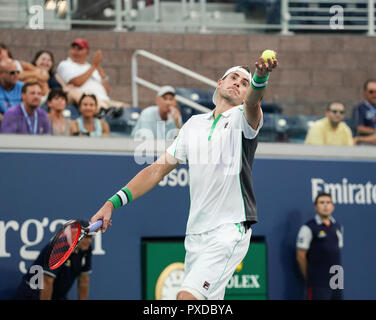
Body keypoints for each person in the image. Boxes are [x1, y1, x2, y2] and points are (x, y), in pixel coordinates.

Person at [90, 52, 278, 300]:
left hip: (229, 229)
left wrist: (260, 78)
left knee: (185, 298)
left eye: (245, 83)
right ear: (219, 84)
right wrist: (111, 203)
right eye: (233, 78)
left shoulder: (244, 119)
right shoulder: (193, 125)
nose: (239, 84)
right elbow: (156, 170)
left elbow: (253, 103)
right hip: (195, 235)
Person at [13, 219, 94, 300]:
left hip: (56, 295)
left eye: (91, 237)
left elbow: (84, 280)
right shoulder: (60, 246)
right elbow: (47, 281)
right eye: (86, 237)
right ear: (74, 233)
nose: (89, 241)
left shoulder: (86, 248)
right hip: (33, 294)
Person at [296, 192, 344, 300]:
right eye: (322, 202)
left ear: (333, 206)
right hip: (317, 284)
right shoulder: (308, 228)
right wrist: (310, 277)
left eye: (328, 202)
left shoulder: (338, 227)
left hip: (337, 283)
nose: (325, 205)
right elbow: (300, 256)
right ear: (316, 206)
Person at [56, 38, 128, 110]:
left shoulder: (91, 67)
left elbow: (106, 91)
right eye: (73, 48)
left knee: (129, 109)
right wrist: (94, 66)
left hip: (105, 100)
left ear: (87, 52)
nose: (75, 52)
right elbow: (76, 82)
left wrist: (98, 66)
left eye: (79, 49)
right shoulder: (65, 64)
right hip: (87, 101)